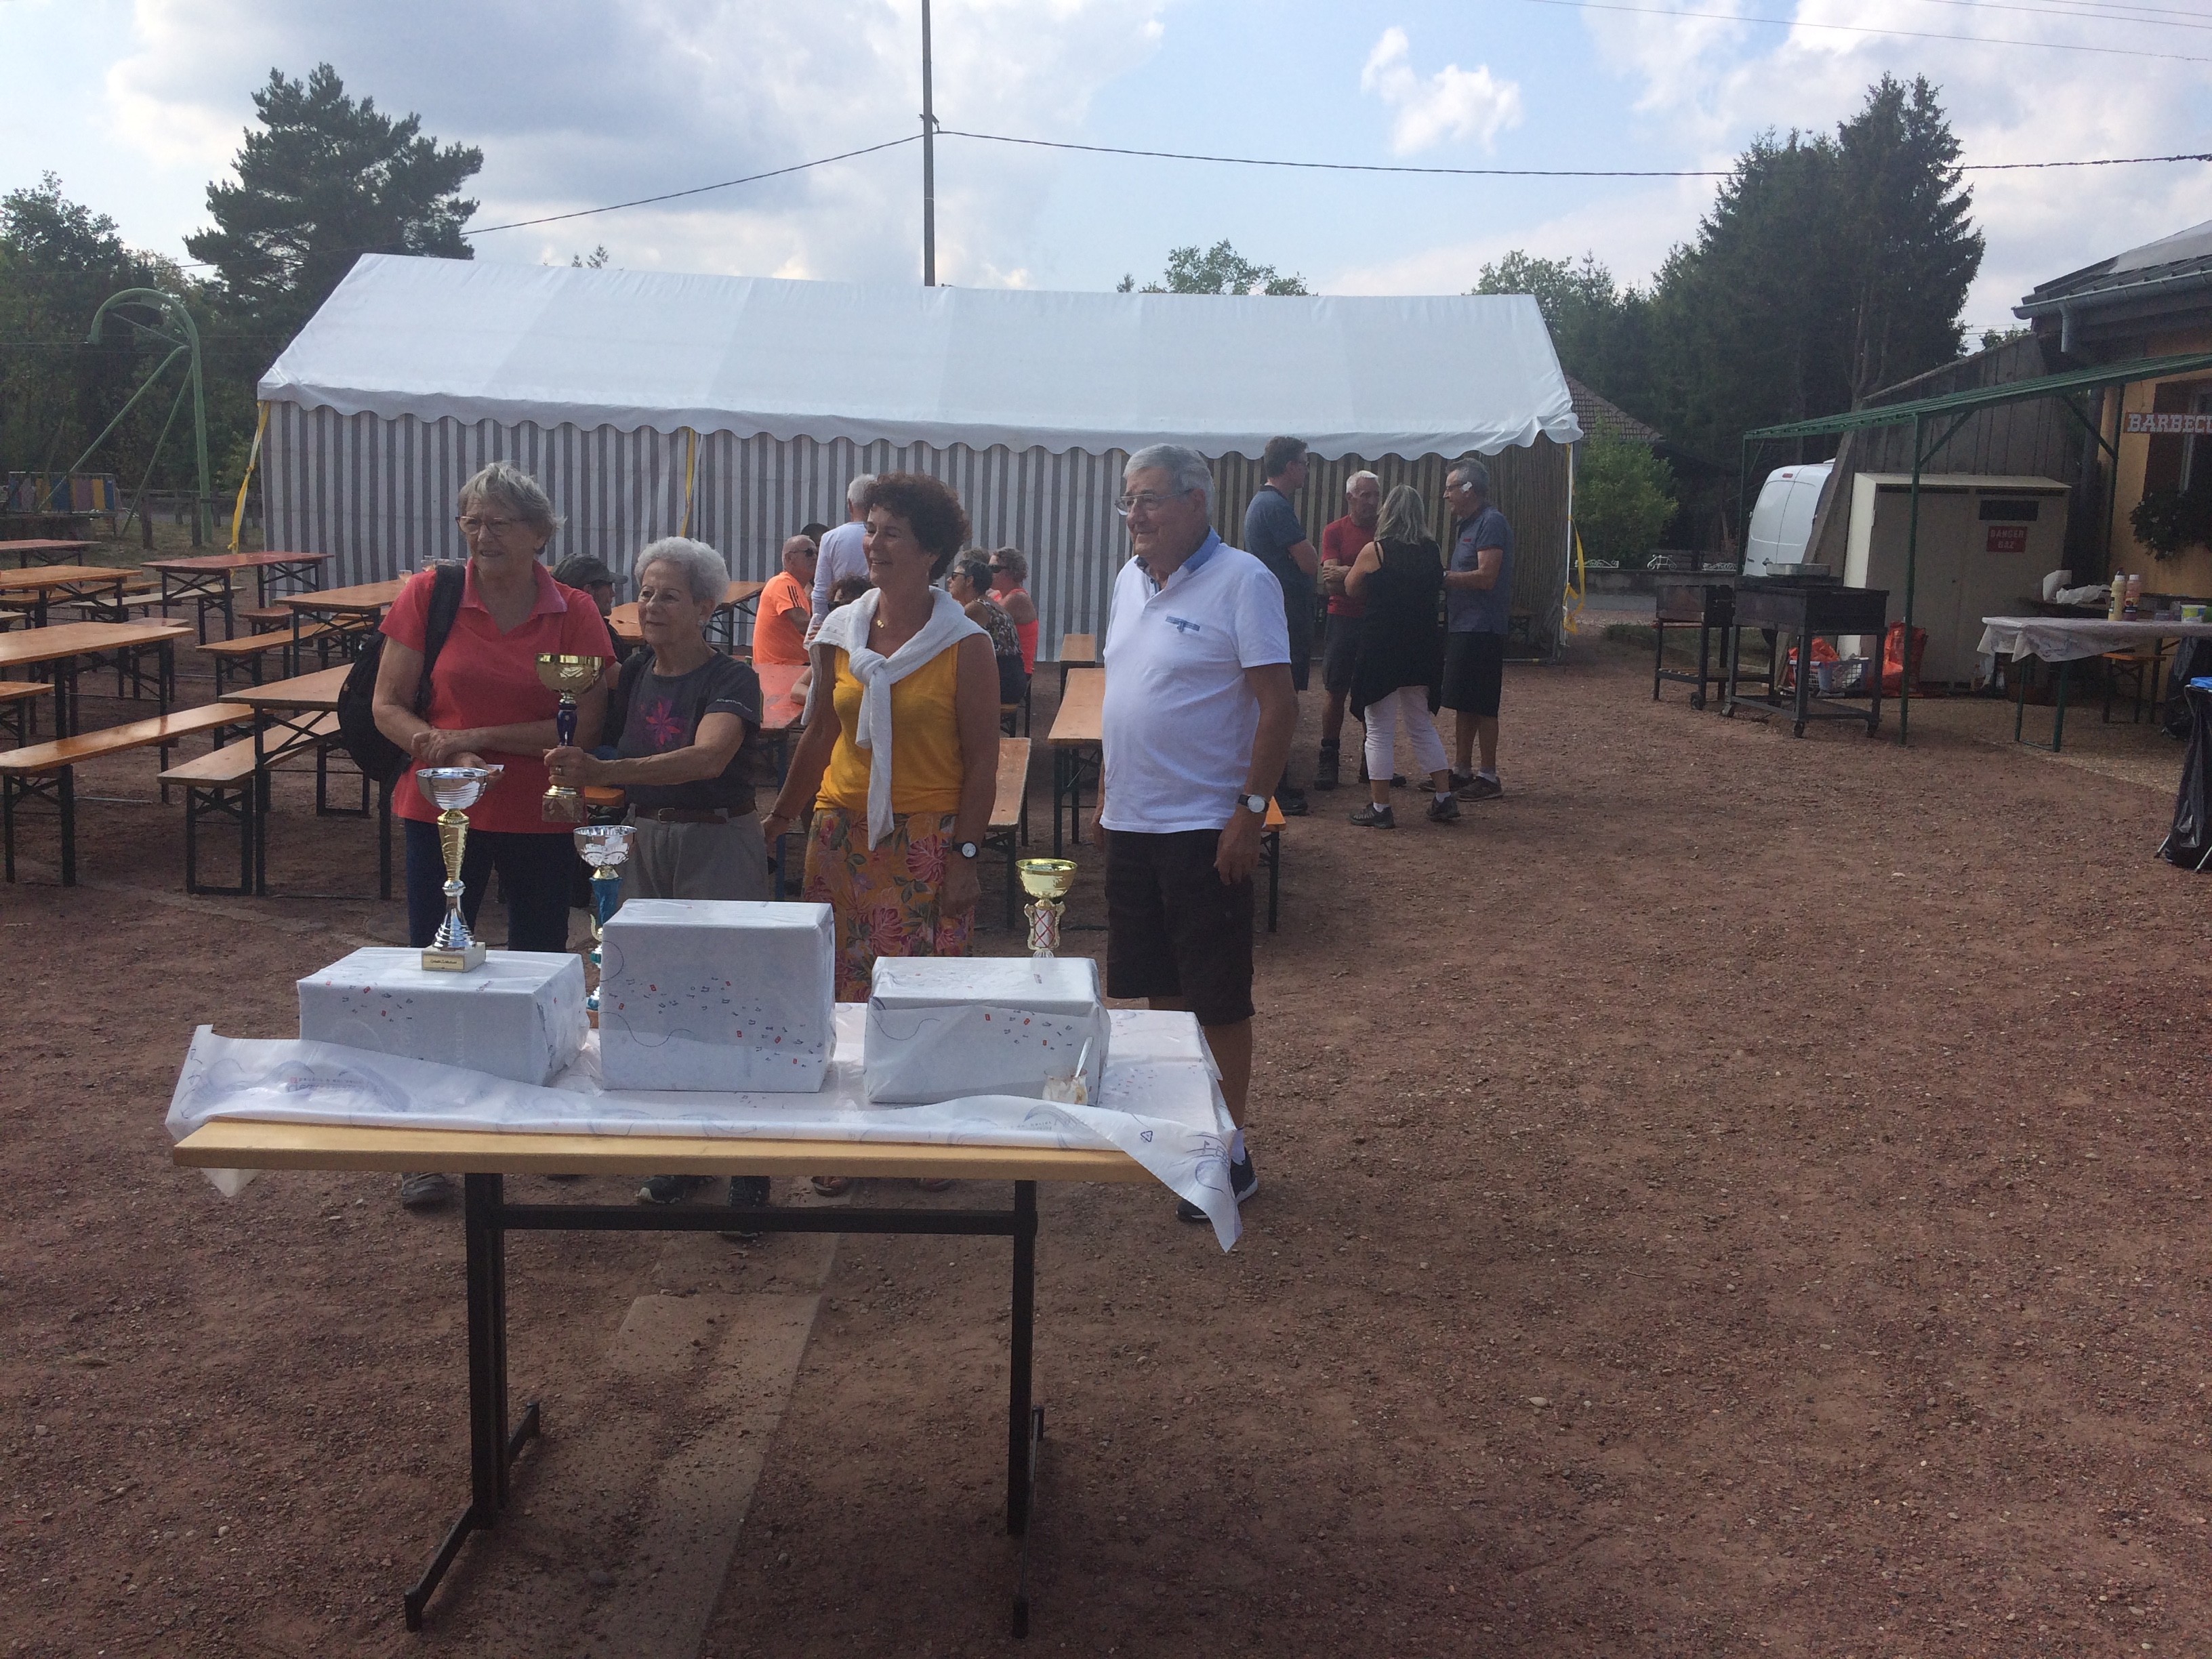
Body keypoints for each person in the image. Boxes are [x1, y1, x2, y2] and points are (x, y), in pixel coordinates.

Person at [371, 460, 614, 1211]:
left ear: (541, 534)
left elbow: (585, 725)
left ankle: (539, 1122)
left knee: (542, 967)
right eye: (471, 521)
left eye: (499, 522)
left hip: (538, 815)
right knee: (438, 964)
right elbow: (388, 704)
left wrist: (476, 734)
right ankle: (430, 1142)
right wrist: (438, 749)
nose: (482, 535)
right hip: (440, 806)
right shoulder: (429, 595)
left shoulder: (574, 612)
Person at [764, 475, 996, 1197]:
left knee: (923, 995)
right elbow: (821, 731)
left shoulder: (967, 644)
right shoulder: (840, 631)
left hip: (925, 842)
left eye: (893, 533)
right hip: (840, 835)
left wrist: (964, 854)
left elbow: (984, 759)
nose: (875, 544)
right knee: (840, 992)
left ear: (931, 551)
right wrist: (781, 815)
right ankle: (847, 1137)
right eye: (872, 531)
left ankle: (928, 1138)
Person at [546, 536, 776, 1222]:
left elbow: (707, 759)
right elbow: (598, 743)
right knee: (658, 1001)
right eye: (644, 591)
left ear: (705, 606)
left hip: (715, 841)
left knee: (730, 999)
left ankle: (748, 1166)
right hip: (642, 841)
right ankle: (681, 1151)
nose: (650, 604)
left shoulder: (732, 680)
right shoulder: (631, 673)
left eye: (668, 593)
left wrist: (603, 774)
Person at [1098, 443, 1295, 1224]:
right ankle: (1185, 1132)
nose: (1135, 516)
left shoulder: (1244, 581)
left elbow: (1279, 707)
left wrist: (1249, 813)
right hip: (1135, 819)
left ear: (1195, 503)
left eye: (1148, 500)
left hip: (1203, 823)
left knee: (1215, 994)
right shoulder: (1129, 580)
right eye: (1128, 501)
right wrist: (1111, 794)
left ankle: (1229, 1153)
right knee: (1160, 989)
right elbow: (1126, 691)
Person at [1343, 485, 1456, 828]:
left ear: (1387, 512)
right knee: (1421, 724)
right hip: (1423, 647)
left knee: (1378, 729)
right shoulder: (1431, 549)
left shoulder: (1375, 551)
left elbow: (1350, 588)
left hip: (1382, 646)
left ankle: (1380, 807)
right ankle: (1444, 798)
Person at [1242, 436, 1317, 816]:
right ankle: (1275, 786)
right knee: (1280, 700)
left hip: (1281, 611)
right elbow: (1309, 561)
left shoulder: (1265, 503)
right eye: (1304, 463)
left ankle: (1275, 782)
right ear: (1290, 467)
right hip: (1284, 613)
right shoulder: (1275, 506)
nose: (1307, 470)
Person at [1441, 457, 1515, 800]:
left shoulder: (1491, 523)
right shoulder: (1467, 525)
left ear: (1469, 489)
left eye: (1451, 488)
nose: (1446, 495)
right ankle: (1461, 769)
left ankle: (1489, 776)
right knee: (1462, 701)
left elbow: (1487, 577)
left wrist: (1442, 579)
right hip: (1462, 626)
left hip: (1482, 628)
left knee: (1483, 703)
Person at [1314, 471, 1380, 790]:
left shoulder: (1386, 530)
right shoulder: (1334, 531)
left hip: (1375, 621)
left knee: (1374, 692)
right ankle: (1329, 756)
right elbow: (1330, 581)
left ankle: (1374, 761)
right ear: (1350, 497)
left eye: (1375, 495)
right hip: (1342, 618)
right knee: (1335, 690)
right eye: (1365, 495)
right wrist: (1368, 576)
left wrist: (1349, 575)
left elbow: (1389, 581)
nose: (1371, 502)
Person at [947, 554, 1028, 709]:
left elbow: (945, 638)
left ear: (969, 581)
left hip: (1003, 682)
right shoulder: (987, 602)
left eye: (955, 576)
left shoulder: (976, 607)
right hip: (1011, 679)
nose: (949, 580)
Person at [804, 475, 876, 642]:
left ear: (850, 505)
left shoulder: (831, 538)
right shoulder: (889, 538)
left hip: (840, 619)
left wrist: (821, 627)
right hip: (877, 618)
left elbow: (821, 591)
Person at [753, 533, 817, 666]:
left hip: (788, 665)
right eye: (809, 553)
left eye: (817, 553)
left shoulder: (797, 587)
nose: (815, 558)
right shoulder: (784, 583)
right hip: (782, 666)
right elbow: (803, 624)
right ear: (790, 558)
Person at [987, 547, 1038, 676]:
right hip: (1006, 665)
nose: (989, 572)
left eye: (994, 569)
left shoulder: (1017, 598)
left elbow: (985, 619)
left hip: (1018, 671)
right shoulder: (998, 594)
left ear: (1011, 572)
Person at [550, 554, 617, 618]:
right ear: (588, 590)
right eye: (609, 587)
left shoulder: (548, 625)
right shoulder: (591, 628)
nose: (613, 594)